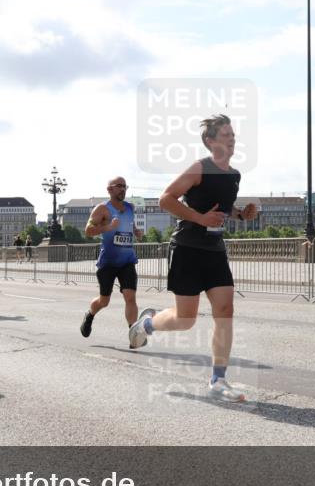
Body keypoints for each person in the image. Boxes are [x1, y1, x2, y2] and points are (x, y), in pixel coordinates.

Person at [128, 114, 258, 402]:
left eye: (233, 134)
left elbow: (222, 208)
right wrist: (200, 218)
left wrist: (240, 213)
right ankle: (147, 324)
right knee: (185, 319)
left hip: (215, 250)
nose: (232, 138)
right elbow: (166, 198)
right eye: (225, 134)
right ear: (210, 141)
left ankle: (218, 379)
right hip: (187, 248)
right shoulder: (200, 168)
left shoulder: (234, 175)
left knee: (225, 310)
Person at [80, 177, 144, 341]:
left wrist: (136, 232)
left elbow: (130, 225)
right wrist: (107, 227)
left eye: (125, 186)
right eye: (119, 186)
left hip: (127, 261)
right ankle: (90, 315)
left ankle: (133, 334)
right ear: (109, 190)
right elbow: (88, 230)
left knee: (130, 297)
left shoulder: (130, 207)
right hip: (108, 262)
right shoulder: (102, 209)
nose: (123, 189)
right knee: (104, 301)